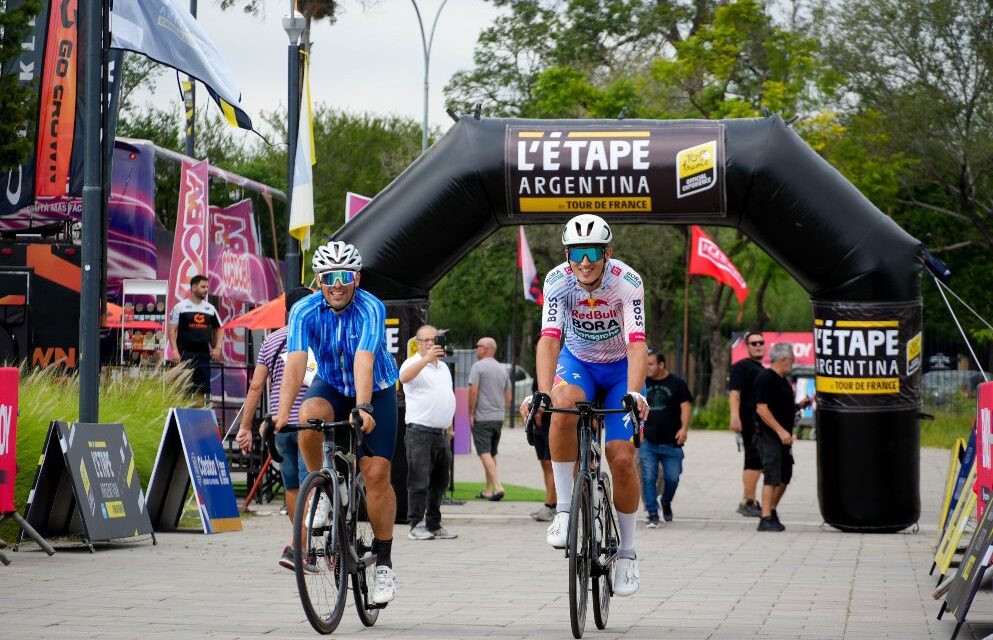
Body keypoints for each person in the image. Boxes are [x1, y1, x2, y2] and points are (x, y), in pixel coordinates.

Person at [522, 213, 650, 598]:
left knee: (621, 456)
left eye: (593, 251)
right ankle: (564, 509)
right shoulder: (558, 280)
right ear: (567, 254)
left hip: (618, 370)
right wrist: (543, 391)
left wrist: (635, 391)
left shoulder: (627, 282)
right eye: (577, 252)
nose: (585, 261)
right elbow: (548, 338)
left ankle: (627, 552)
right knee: (560, 406)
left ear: (607, 252)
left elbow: (637, 342)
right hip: (578, 364)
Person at [274, 240, 400, 604]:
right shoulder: (304, 310)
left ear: (357, 278)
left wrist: (364, 407)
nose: (338, 284)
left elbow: (364, 359)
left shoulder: (371, 307)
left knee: (376, 474)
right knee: (308, 415)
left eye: (345, 276)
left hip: (374, 388)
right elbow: (296, 364)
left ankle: (384, 564)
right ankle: (325, 491)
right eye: (329, 277)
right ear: (319, 280)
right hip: (331, 383)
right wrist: (280, 417)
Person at [235, 287, 314, 570]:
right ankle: (297, 547)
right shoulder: (314, 337)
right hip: (309, 425)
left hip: (280, 426)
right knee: (311, 486)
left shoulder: (272, 341)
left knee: (292, 487)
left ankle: (301, 546)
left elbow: (256, 386)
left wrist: (245, 427)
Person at [399, 325, 458, 541]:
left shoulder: (442, 368)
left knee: (440, 481)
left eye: (434, 339)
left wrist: (449, 425)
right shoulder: (413, 362)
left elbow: (445, 395)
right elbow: (404, 378)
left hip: (441, 433)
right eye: (425, 340)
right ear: (418, 342)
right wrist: (424, 360)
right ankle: (416, 524)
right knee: (419, 481)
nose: (430, 343)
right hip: (419, 432)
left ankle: (434, 523)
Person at [753, 342, 810, 532]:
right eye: (792, 360)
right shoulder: (765, 378)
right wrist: (780, 431)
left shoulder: (783, 381)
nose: (792, 364)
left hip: (784, 437)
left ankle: (772, 509)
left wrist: (800, 405)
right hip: (769, 435)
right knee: (772, 474)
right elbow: (761, 409)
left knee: (785, 475)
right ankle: (765, 517)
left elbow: (782, 407)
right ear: (783, 359)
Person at [640, 349, 692, 527]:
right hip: (648, 440)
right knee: (648, 476)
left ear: (661, 365)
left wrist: (684, 429)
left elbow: (685, 407)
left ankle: (666, 502)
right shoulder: (641, 383)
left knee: (673, 478)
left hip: (672, 441)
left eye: (650, 364)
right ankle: (652, 513)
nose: (646, 368)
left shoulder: (677, 383)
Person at [468, 337, 511, 501]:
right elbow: (509, 396)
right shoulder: (502, 369)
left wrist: (471, 413)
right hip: (498, 417)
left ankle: (498, 486)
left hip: (482, 416)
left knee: (484, 452)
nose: (475, 349)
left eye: (477, 346)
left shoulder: (478, 367)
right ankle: (488, 489)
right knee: (492, 453)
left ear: (485, 348)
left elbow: (473, 392)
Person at [729, 331, 766, 518]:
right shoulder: (742, 367)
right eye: (754, 343)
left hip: (759, 421)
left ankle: (748, 499)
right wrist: (735, 417)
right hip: (749, 421)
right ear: (748, 346)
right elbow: (734, 393)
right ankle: (748, 500)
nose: (758, 346)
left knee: (755, 461)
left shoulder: (760, 367)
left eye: (761, 342)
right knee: (754, 460)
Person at [168, 274, 222, 399]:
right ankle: (183, 415)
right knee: (183, 389)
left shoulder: (210, 308)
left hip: (203, 355)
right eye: (203, 287)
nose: (206, 290)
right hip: (184, 354)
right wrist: (174, 350)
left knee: (202, 391)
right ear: (193, 287)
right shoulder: (180, 307)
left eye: (207, 287)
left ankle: (199, 415)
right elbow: (172, 329)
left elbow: (219, 328)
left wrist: (218, 347)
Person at [529, 374, 556, 522]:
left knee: (551, 465)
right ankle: (551, 502)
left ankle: (551, 505)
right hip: (539, 424)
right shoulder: (538, 368)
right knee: (545, 464)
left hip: (552, 421)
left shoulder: (561, 364)